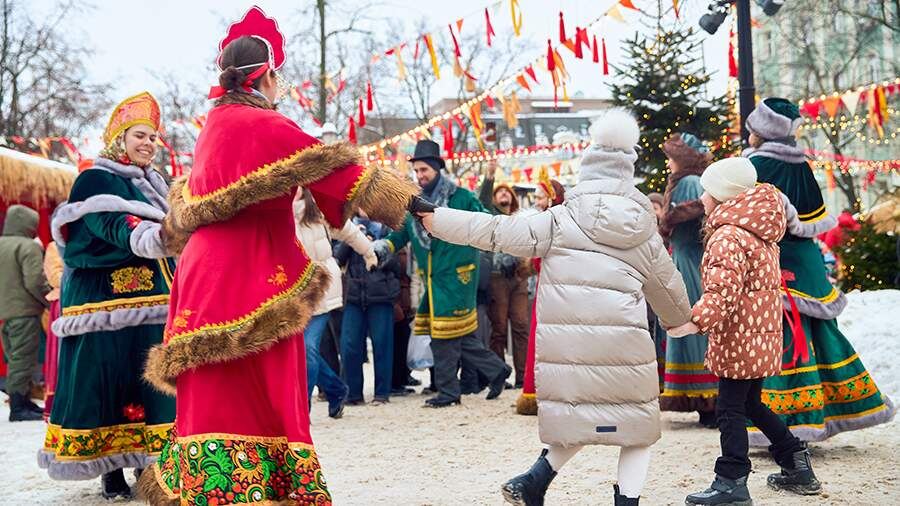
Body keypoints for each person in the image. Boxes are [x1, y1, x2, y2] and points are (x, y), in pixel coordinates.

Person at [138, 8, 416, 504]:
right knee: (269, 380)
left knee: (216, 385)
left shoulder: (214, 124)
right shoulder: (257, 122)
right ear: (264, 75)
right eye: (278, 76)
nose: (280, 85)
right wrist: (407, 201)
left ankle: (210, 487)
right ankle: (267, 488)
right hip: (250, 268)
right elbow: (334, 170)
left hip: (206, 272)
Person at [420, 109, 692, 505]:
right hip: (625, 348)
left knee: (580, 418)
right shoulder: (644, 231)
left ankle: (535, 480)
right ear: (626, 173)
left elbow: (495, 231)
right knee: (635, 429)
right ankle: (622, 500)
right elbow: (669, 288)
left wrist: (437, 218)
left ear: (588, 169)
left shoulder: (559, 219)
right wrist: (681, 322)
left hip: (571, 348)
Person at [38, 92, 176, 499]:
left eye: (153, 137)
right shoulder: (96, 178)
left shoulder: (155, 185)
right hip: (105, 305)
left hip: (153, 305)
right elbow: (112, 224)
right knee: (109, 382)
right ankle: (111, 470)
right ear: (119, 137)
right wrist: (149, 236)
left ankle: (149, 466)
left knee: (152, 385)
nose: (148, 143)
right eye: (140, 135)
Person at [669, 157, 821, 505]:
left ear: (722, 194)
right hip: (760, 335)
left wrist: (694, 322)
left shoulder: (728, 235)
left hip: (740, 337)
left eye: (708, 189)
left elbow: (723, 292)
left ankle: (731, 480)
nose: (702, 196)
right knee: (750, 403)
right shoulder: (758, 230)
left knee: (729, 409)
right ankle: (796, 462)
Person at [743, 97, 896, 444]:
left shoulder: (754, 165)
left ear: (763, 131)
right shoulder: (802, 164)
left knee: (781, 341)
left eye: (753, 127)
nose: (749, 132)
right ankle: (844, 410)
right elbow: (812, 218)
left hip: (776, 262)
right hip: (808, 262)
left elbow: (753, 218)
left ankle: (785, 426)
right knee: (821, 338)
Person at [379, 139, 511, 408]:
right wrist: (384, 246)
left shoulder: (460, 196)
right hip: (433, 279)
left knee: (442, 337)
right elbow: (403, 232)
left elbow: (484, 221)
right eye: (417, 171)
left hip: (458, 276)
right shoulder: (415, 202)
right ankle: (497, 370)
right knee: (458, 337)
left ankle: (449, 391)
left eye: (424, 170)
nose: (420, 175)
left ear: (438, 168)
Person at [293, 188, 376, 418]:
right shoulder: (276, 212)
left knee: (308, 349)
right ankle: (336, 389)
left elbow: (348, 231)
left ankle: (301, 413)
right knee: (299, 351)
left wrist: (369, 252)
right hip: (291, 293)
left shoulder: (318, 210)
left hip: (320, 288)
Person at [658, 132, 718, 428]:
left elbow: (695, 224)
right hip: (683, 259)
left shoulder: (689, 183)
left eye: (670, 157)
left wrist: (669, 218)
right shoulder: (688, 182)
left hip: (690, 262)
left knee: (693, 325)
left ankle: (707, 398)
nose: (667, 163)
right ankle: (700, 398)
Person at [336, 213, 400, 405]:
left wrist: (375, 249)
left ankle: (382, 393)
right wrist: (353, 239)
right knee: (350, 346)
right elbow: (338, 257)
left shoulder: (386, 228)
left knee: (382, 346)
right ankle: (353, 394)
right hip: (354, 295)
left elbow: (396, 263)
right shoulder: (348, 226)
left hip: (381, 294)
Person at [515, 173, 565, 416]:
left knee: (544, 339)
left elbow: (539, 260)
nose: (536, 202)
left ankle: (540, 394)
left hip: (554, 291)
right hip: (550, 288)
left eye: (540, 197)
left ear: (552, 199)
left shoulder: (551, 224)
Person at [479, 162, 529, 387]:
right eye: (499, 192)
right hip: (497, 276)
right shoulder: (491, 215)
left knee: (520, 326)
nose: (503, 195)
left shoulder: (521, 218)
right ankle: (500, 376)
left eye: (506, 192)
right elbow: (482, 200)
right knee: (498, 328)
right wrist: (490, 178)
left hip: (518, 277)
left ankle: (523, 376)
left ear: (512, 198)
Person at [0, 204, 50, 422]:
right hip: (24, 311)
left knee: (14, 357)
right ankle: (19, 408)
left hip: (5, 313)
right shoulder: (28, 247)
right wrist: (48, 299)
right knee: (23, 359)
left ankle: (24, 401)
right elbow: (34, 281)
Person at [42, 239, 64, 420]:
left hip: (88, 302)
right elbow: (54, 276)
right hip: (63, 301)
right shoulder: (54, 246)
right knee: (60, 353)